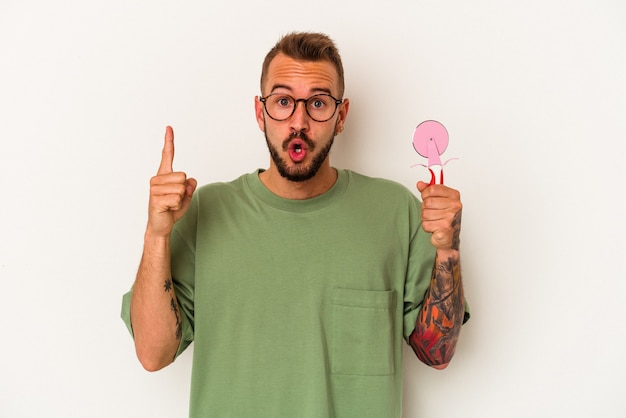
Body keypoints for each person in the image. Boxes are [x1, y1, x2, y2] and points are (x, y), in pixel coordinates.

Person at [121, 31, 469, 418]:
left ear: (341, 116)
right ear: (260, 112)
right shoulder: (205, 210)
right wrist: (157, 234)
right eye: (283, 101)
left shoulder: (395, 211)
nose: (299, 122)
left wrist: (447, 252)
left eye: (318, 103)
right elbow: (152, 354)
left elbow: (436, 354)